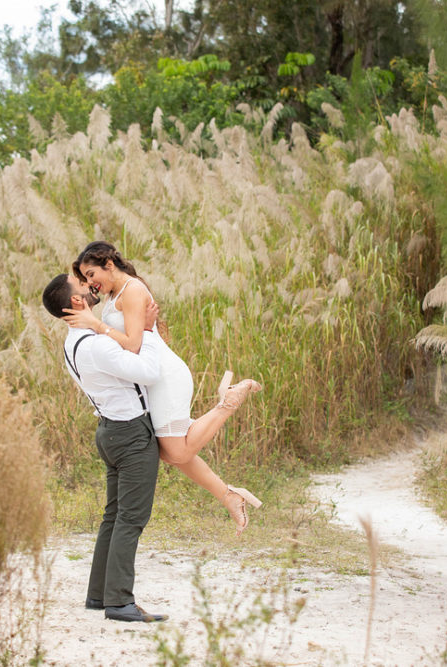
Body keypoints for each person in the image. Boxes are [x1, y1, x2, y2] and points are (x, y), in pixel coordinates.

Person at [64, 241, 263, 536]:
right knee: (169, 453)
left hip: (164, 377)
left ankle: (230, 401)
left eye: (92, 274)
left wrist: (96, 325)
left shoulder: (131, 290)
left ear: (108, 263)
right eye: (86, 278)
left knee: (178, 452)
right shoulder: (113, 296)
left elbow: (133, 344)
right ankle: (229, 495)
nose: (91, 283)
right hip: (150, 379)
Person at [42, 271, 168, 623]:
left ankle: (99, 596)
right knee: (131, 519)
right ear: (78, 302)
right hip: (130, 433)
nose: (89, 283)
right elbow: (150, 371)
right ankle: (120, 602)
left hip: (109, 431)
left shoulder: (73, 344)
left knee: (113, 517)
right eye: (82, 284)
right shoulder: (97, 344)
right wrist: (145, 330)